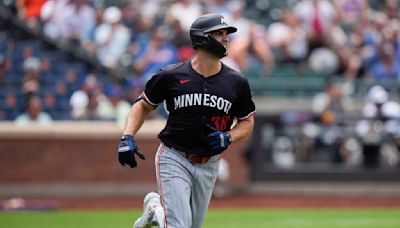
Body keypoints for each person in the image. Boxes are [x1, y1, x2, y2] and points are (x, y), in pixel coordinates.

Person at [118, 13, 256, 228]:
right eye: (219, 34)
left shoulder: (236, 82)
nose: (226, 38)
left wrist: (228, 137)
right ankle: (158, 212)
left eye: (226, 34)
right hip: (174, 156)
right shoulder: (171, 75)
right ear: (201, 38)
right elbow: (142, 105)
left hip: (209, 164)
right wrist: (127, 137)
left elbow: (247, 122)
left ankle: (155, 211)